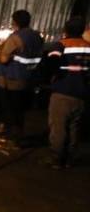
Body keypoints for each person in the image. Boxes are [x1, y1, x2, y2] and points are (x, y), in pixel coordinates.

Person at [45, 16, 90, 168]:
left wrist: (55, 76)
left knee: (58, 128)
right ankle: (70, 158)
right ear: (82, 31)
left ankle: (56, 159)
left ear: (66, 29)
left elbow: (51, 64)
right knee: (74, 127)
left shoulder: (61, 45)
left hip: (62, 92)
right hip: (82, 94)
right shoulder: (88, 46)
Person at [0, 9, 44, 143]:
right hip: (28, 77)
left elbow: (4, 59)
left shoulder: (15, 38)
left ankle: (9, 134)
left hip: (11, 78)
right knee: (20, 108)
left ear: (15, 22)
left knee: (9, 107)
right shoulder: (37, 36)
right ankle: (19, 132)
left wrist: (0, 53)